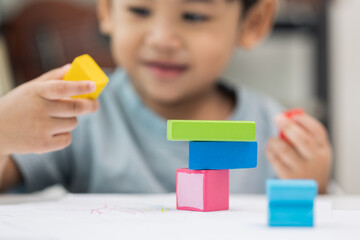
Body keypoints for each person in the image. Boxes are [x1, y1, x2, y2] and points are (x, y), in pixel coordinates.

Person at [0, 0, 332, 194]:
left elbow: (307, 219)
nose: (162, 39)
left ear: (253, 22)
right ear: (107, 10)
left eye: (194, 16)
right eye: (140, 10)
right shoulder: (79, 115)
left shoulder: (273, 130)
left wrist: (311, 184)